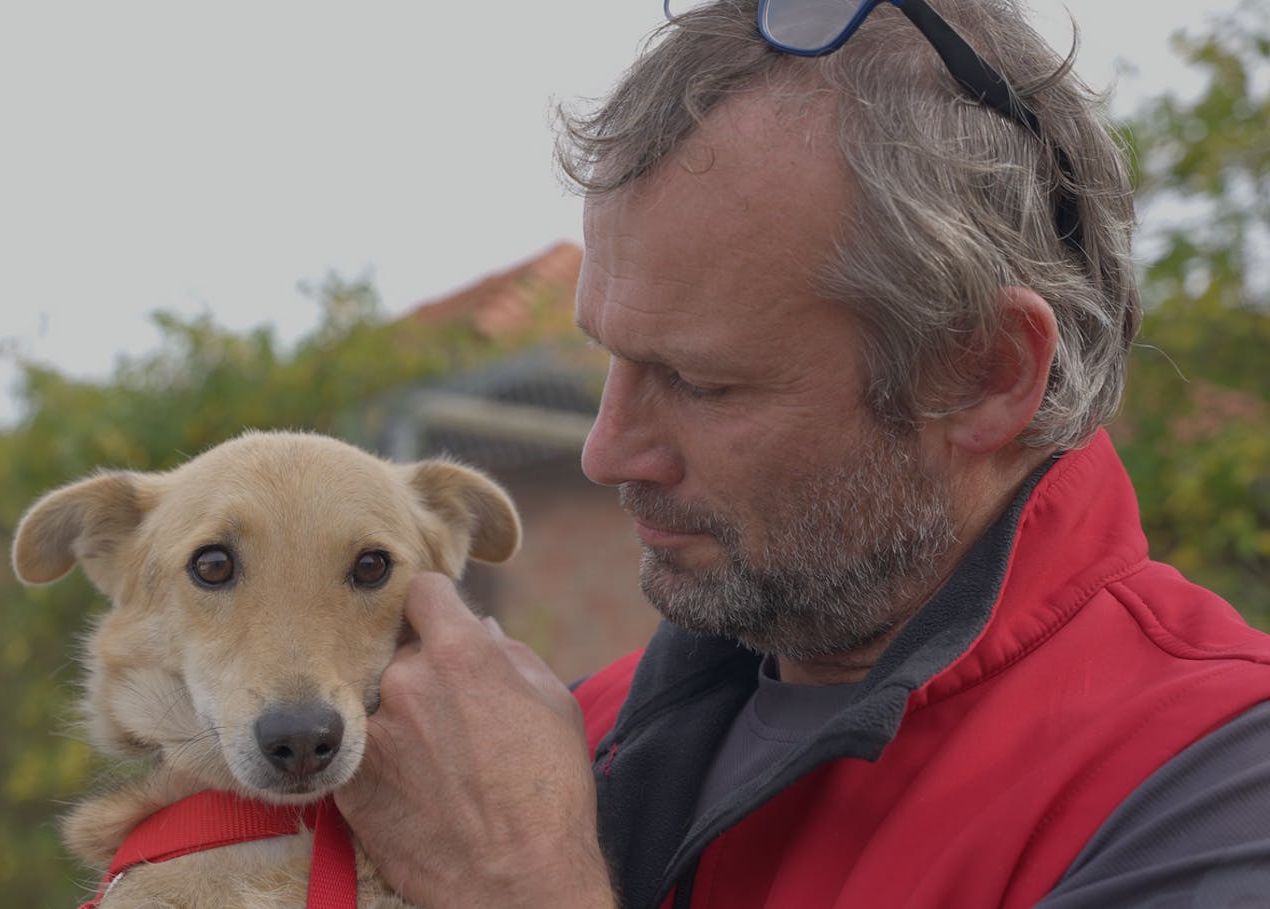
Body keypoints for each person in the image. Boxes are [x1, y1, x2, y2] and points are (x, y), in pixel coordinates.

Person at [336, 0, 1270, 906]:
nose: (607, 451)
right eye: (607, 360)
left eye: (701, 382)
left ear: (985, 374)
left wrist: (521, 884)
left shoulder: (1215, 783)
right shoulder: (563, 742)